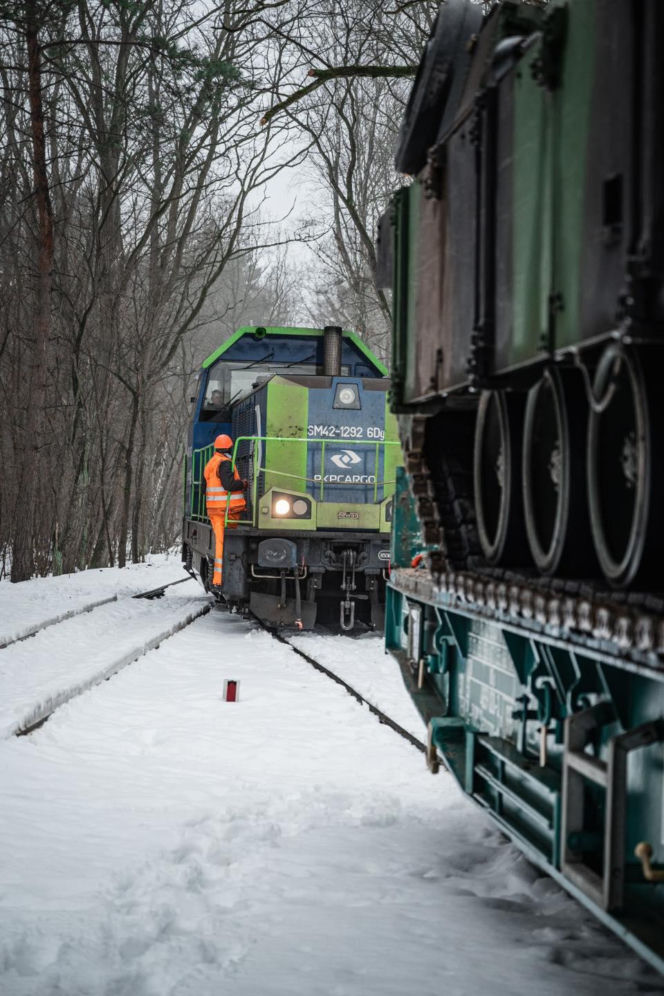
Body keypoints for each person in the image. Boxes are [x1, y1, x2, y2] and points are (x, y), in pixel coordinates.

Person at [203, 434, 247, 587]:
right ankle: (219, 580)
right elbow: (229, 485)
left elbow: (204, 489)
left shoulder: (210, 464)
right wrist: (243, 484)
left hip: (214, 511)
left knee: (220, 545)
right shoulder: (225, 463)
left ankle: (218, 579)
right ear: (229, 448)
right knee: (223, 545)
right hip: (226, 511)